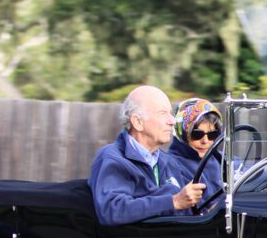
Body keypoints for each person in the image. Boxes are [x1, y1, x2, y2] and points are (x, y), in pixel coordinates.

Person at [89, 85, 205, 225]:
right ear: (137, 122)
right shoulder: (113, 158)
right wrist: (173, 201)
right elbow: (112, 210)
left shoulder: (169, 162)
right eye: (163, 113)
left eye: (170, 113)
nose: (172, 121)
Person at [168, 97, 225, 195]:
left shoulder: (221, 159)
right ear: (182, 134)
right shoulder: (170, 166)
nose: (205, 141)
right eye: (197, 134)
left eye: (212, 134)